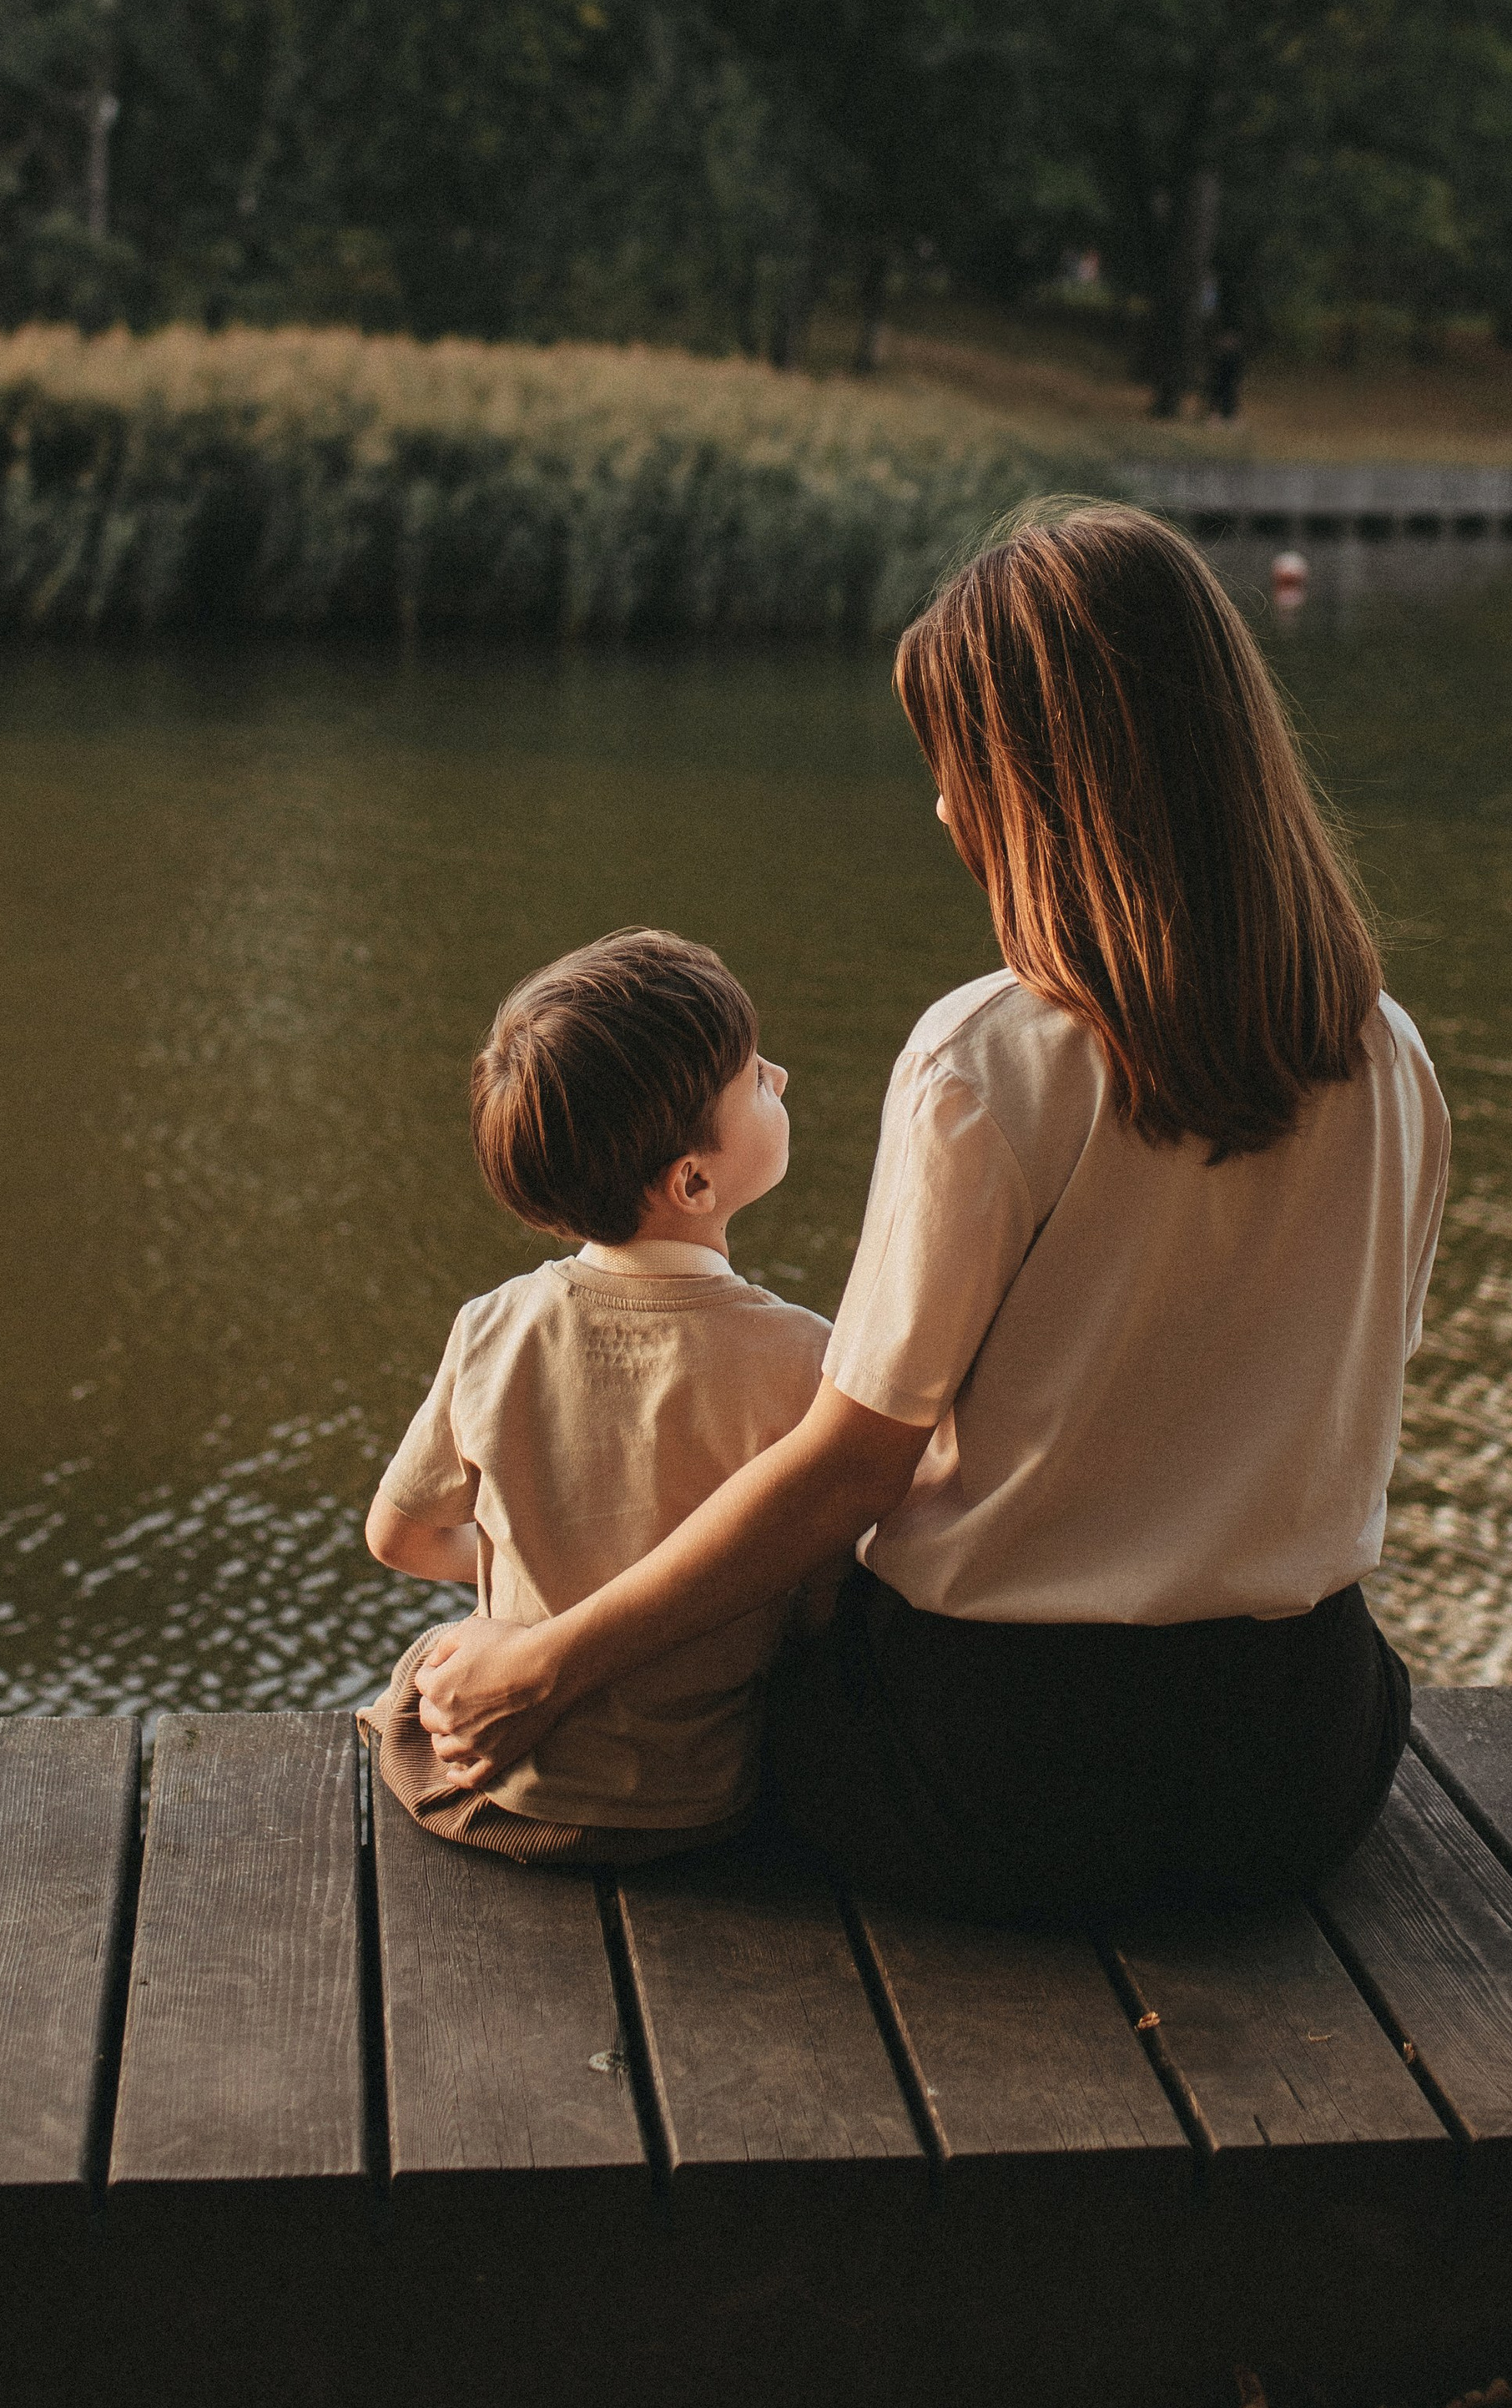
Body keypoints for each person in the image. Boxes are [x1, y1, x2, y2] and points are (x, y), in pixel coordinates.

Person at [416, 502, 1450, 1921]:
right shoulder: (1390, 1054)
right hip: (1300, 1768)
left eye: (963, 769)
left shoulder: (986, 1058)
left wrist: (548, 1662)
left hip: (1004, 1773)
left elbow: (853, 1467)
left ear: (1052, 789)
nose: (948, 810)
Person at [360, 929, 832, 1864]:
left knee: (435, 1657)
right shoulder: (806, 1356)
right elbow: (816, 1590)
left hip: (500, 1790)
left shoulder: (496, 1325)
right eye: (752, 1080)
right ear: (692, 1180)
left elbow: (398, 1536)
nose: (779, 1073)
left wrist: (536, 1585)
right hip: (696, 1802)